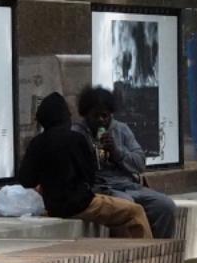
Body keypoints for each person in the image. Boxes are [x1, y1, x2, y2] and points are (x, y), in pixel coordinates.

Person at [17, 92, 151, 238]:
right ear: (65, 117)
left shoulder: (36, 143)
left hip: (53, 206)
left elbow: (26, 179)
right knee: (135, 212)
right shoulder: (76, 139)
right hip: (81, 205)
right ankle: (149, 257)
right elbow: (89, 175)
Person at [78, 85, 177, 240]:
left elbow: (139, 163)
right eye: (95, 116)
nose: (101, 121)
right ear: (86, 115)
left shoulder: (121, 130)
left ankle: (159, 251)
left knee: (165, 206)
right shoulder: (78, 134)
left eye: (105, 116)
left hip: (129, 185)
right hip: (103, 188)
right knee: (126, 206)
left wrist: (117, 152)